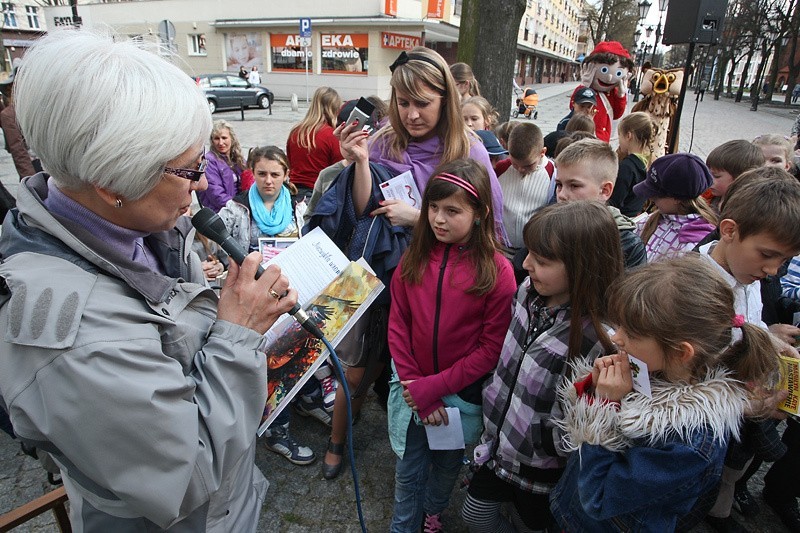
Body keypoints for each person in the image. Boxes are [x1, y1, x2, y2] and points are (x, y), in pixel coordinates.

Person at [0, 30, 299, 531]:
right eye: (190, 168)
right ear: (113, 182)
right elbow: (186, 477)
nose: (204, 182)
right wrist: (237, 334)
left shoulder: (135, 221)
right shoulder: (72, 338)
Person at [550, 254, 781, 532]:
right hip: (571, 513)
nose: (615, 337)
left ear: (681, 352)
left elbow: (598, 499)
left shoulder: (690, 442)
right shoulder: (651, 366)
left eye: (630, 333)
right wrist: (594, 388)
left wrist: (603, 406)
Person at [461, 201, 623, 533]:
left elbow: (588, 416)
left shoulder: (598, 338)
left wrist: (547, 442)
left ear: (584, 268)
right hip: (498, 443)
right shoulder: (528, 292)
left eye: (543, 260)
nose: (526, 263)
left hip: (540, 465)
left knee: (533, 523)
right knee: (475, 516)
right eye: (529, 252)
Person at [386, 158, 516, 532]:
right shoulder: (413, 256)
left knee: (446, 464)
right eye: (433, 207)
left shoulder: (496, 271)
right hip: (414, 393)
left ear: (479, 214)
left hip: (460, 398)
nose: (439, 219)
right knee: (409, 471)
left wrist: (436, 388)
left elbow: (491, 349)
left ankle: (434, 509)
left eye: (452, 211)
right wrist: (418, 389)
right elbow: (398, 326)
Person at [696, 174, 800, 532]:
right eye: (768, 255)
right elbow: (675, 381)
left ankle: (719, 510)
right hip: (699, 429)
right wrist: (740, 404)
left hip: (734, 417)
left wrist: (764, 334)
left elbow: (744, 322)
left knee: (729, 472)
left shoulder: (747, 274)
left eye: (784, 260)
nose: (773, 271)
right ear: (728, 230)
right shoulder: (690, 292)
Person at [217, 145, 325, 464]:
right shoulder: (236, 210)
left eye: (275, 174)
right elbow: (216, 250)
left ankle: (304, 398)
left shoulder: (297, 207)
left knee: (302, 347)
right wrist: (218, 263)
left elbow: (307, 242)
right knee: (270, 363)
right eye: (261, 173)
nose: (268, 180)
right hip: (254, 303)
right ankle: (276, 429)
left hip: (291, 293)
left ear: (286, 176)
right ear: (252, 173)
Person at [339, 46, 506, 240]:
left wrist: (417, 219)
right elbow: (361, 213)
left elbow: (485, 225)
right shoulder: (381, 142)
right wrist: (360, 161)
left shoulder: (469, 151)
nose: (412, 115)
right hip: (384, 261)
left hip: (444, 266)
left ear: (445, 101)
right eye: (403, 103)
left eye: (422, 103)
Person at [555, 138, 647, 269]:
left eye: (574, 186)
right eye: (559, 185)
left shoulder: (627, 246)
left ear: (604, 190)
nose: (561, 195)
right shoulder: (549, 228)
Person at [634, 153, 717, 263]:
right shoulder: (659, 217)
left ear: (677, 199)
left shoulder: (693, 244)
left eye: (655, 195)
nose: (651, 199)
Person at [494, 122, 555, 260]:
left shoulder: (553, 174)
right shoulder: (500, 169)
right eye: (515, 163)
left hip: (532, 252)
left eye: (528, 165)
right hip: (500, 249)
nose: (521, 169)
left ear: (542, 152)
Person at [286, 86, 342, 201]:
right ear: (335, 109)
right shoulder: (332, 136)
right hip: (319, 192)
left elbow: (290, 162)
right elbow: (338, 170)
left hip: (293, 191)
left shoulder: (296, 131)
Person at [609, 111, 653, 217]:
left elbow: (614, 202)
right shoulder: (649, 162)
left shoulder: (627, 167)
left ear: (628, 135)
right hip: (635, 217)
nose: (618, 141)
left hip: (621, 219)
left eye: (619, 135)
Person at [197, 120, 247, 212]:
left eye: (224, 138)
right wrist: (238, 207)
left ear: (232, 138)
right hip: (221, 210)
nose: (220, 143)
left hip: (239, 205)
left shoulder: (237, 157)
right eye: (216, 138)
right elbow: (215, 194)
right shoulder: (207, 160)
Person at [705, 139, 765, 213]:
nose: (708, 179)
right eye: (708, 173)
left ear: (740, 178)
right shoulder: (710, 196)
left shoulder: (742, 210)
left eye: (716, 176)